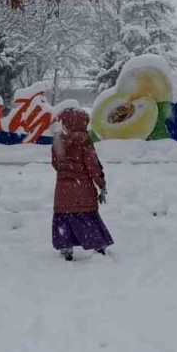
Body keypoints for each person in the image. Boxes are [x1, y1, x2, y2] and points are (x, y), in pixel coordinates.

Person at [51, 108, 113, 261]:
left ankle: (65, 248)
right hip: (82, 189)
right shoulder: (84, 139)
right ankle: (98, 246)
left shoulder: (58, 139)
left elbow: (55, 165)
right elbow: (93, 166)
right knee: (86, 218)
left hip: (63, 191)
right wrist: (101, 184)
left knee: (63, 219)